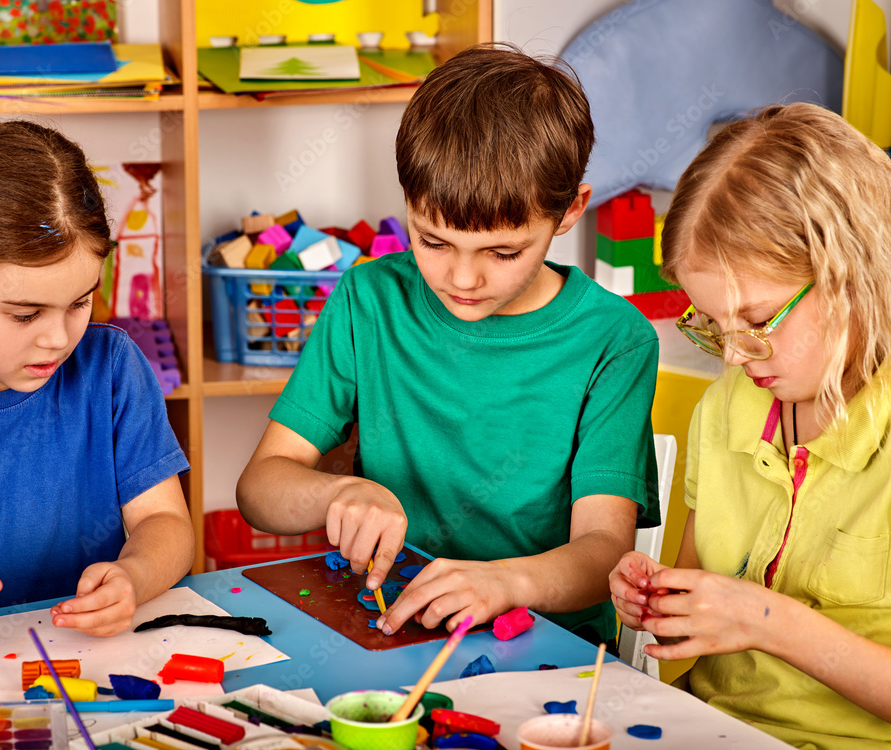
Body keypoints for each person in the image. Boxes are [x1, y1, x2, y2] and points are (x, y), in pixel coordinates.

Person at [238, 44, 660, 648]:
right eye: (432, 241)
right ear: (407, 202)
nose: (462, 280)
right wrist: (338, 491)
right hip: (384, 624)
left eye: (502, 252)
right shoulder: (368, 300)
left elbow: (602, 554)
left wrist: (504, 584)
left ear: (570, 211)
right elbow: (259, 490)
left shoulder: (614, 340)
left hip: (543, 644)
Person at [610, 102, 891, 747]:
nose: (734, 356)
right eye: (712, 325)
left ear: (854, 275)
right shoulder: (729, 408)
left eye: (759, 321)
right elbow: (694, 609)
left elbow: (755, 619)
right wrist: (660, 601)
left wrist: (767, 621)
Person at [0, 121, 194, 640]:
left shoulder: (112, 368)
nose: (58, 338)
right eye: (26, 314)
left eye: (80, 302)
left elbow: (165, 525)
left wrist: (135, 576)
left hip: (88, 667)